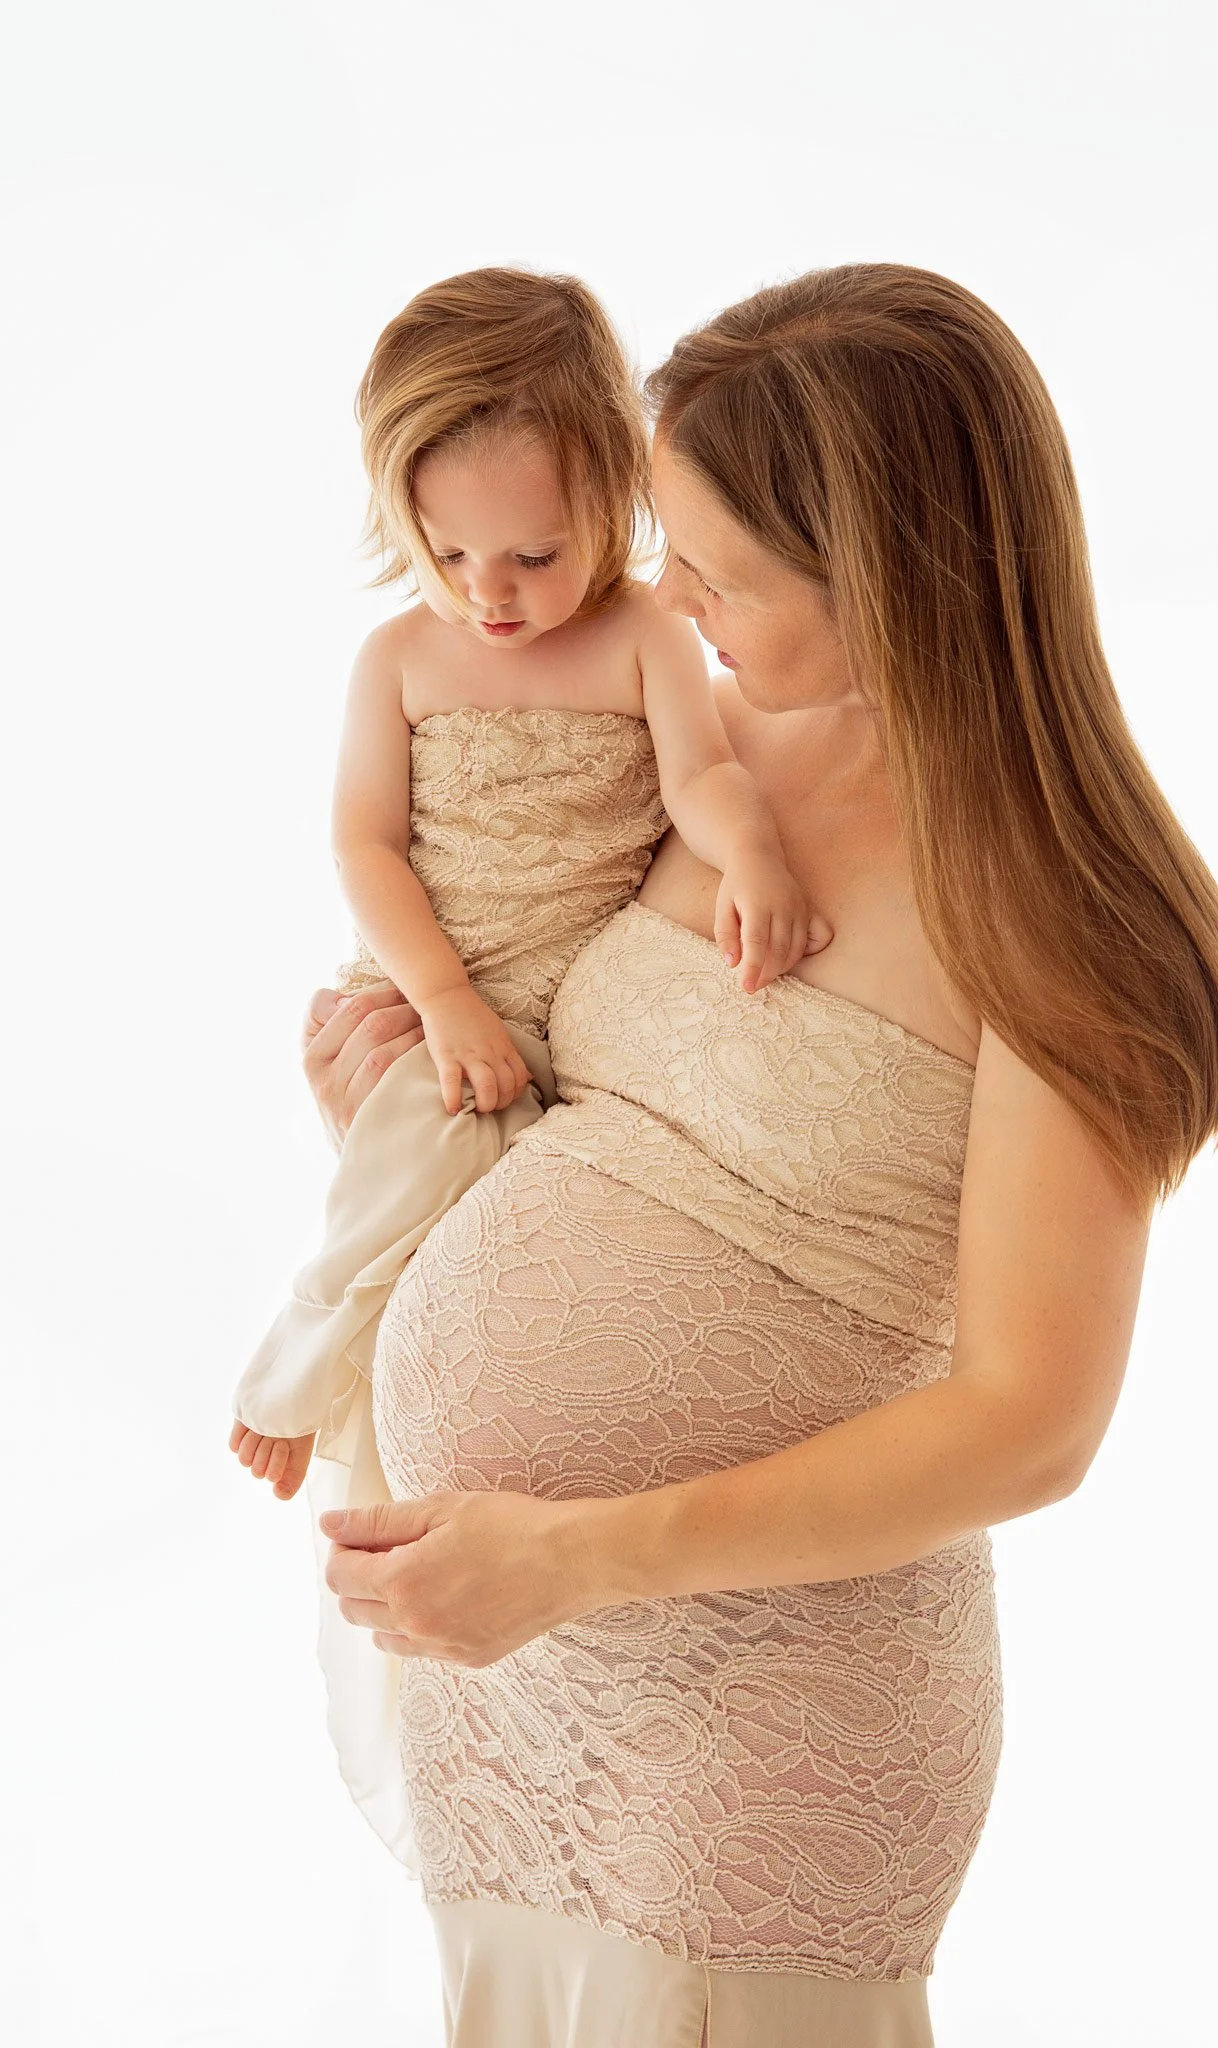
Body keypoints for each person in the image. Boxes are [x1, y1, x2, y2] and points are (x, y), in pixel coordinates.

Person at [301, 264, 1218, 2046]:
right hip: (518, 1682)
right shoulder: (704, 753)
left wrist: (577, 1552)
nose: (665, 596)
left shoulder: (1066, 915)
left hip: (760, 1729)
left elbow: (1030, 1422)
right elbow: (626, 1132)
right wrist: (409, 1117)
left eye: (719, 569)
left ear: (883, 571)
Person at [229, 266, 827, 1502]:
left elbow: (700, 779)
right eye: (446, 551)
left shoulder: (645, 638)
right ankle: (301, 1352)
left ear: (614, 501)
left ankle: (405, 1399)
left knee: (496, 1237)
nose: (487, 594)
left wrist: (755, 850)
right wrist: (445, 999)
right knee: (418, 1147)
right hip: (430, 980)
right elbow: (364, 846)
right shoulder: (401, 656)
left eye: (532, 554)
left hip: (566, 1010)